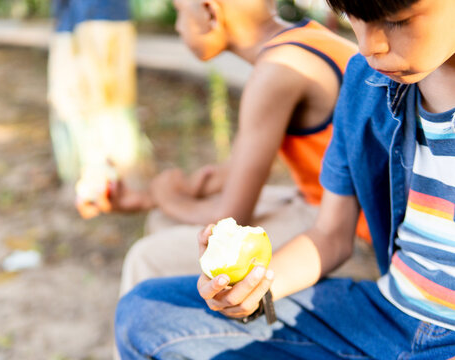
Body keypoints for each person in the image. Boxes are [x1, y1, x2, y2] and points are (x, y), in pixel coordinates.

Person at [115, 0, 455, 358]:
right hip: (382, 317)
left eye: (397, 21)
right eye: (354, 20)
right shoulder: (366, 82)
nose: (371, 46)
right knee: (146, 313)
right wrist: (256, 289)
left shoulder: (284, 65)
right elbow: (329, 235)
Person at [114, 0, 375, 295]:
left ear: (210, 12)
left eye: (180, 13)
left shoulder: (278, 70)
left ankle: (205, 327)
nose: (177, 26)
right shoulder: (302, 41)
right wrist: (148, 198)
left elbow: (232, 215)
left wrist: (169, 198)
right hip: (326, 200)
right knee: (163, 219)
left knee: (147, 257)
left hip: (349, 227)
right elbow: (230, 173)